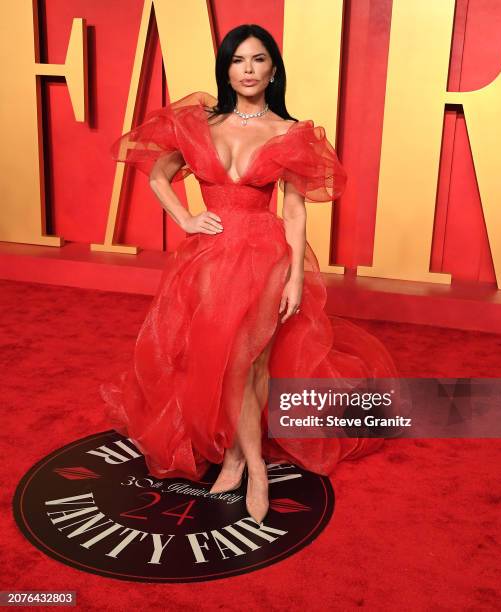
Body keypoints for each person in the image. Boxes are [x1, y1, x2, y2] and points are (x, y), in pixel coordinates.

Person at [100, 24, 399, 527]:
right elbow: (156, 175)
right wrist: (186, 218)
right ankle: (248, 461)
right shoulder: (202, 123)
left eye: (258, 60)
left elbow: (297, 211)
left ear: (273, 69)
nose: (248, 69)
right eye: (238, 61)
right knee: (225, 359)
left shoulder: (289, 132)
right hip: (210, 257)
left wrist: (298, 279)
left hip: (265, 255)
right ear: (227, 69)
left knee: (253, 362)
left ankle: (247, 464)